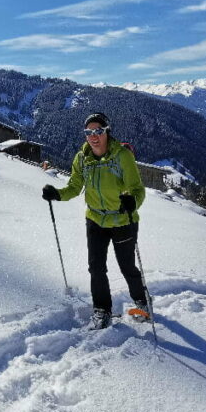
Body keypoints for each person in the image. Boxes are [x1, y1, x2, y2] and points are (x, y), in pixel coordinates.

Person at [42, 112, 150, 330]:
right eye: (89, 132)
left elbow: (137, 189)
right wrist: (57, 194)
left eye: (98, 131)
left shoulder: (122, 156)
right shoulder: (82, 158)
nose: (93, 136)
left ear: (106, 131)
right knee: (96, 268)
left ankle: (142, 303)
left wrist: (132, 201)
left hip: (122, 220)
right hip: (95, 220)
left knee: (127, 266)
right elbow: (74, 187)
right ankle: (102, 310)